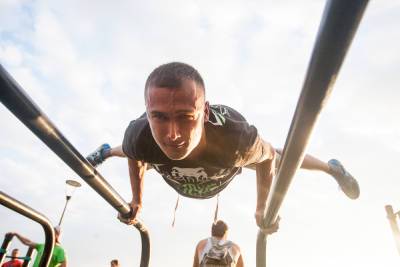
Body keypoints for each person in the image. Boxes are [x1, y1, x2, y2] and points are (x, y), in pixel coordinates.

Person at [87, 62, 359, 228]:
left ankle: (331, 169)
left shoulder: (236, 142)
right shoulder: (140, 136)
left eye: (185, 117)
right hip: (159, 153)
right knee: (137, 147)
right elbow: (134, 153)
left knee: (275, 155)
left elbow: (265, 160)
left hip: (223, 158)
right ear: (147, 113)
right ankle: (107, 150)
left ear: (203, 114)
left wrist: (262, 207)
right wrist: (137, 200)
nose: (173, 133)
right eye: (159, 117)